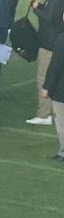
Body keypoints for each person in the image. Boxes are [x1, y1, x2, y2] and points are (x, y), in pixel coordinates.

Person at [27, 0, 64, 126]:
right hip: (55, 41)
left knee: (44, 77)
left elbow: (51, 18)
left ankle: (44, 114)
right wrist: (42, 6)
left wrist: (36, 9)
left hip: (50, 43)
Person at [41, 29, 64, 162]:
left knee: (62, 123)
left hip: (61, 90)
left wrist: (47, 86)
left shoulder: (62, 39)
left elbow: (56, 65)